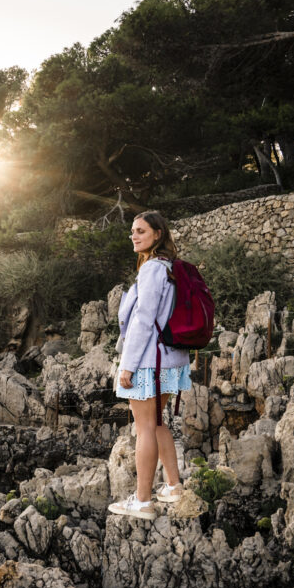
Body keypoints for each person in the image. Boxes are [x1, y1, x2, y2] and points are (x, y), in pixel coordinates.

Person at [107, 211, 192, 521]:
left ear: (158, 234)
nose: (134, 235)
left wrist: (126, 367)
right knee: (156, 424)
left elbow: (143, 321)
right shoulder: (169, 268)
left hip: (148, 361)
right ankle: (172, 486)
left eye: (141, 230)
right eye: (132, 231)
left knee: (143, 428)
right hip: (170, 360)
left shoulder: (152, 270)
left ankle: (142, 501)